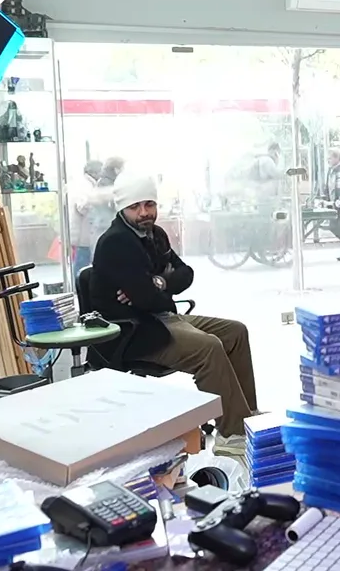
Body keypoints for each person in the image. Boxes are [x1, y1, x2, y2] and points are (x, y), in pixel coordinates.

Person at [88, 173, 258, 456]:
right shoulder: (115, 242)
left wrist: (157, 282)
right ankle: (232, 435)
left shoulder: (155, 235)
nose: (144, 212)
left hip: (161, 317)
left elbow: (185, 274)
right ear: (122, 208)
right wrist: (154, 287)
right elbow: (146, 300)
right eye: (135, 206)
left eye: (149, 204)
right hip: (134, 332)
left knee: (235, 332)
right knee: (208, 347)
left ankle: (248, 417)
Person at [67, 160, 105, 270]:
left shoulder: (84, 184)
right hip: (83, 234)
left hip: (82, 232)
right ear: (94, 172)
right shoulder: (85, 186)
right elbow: (82, 207)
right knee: (82, 265)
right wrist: (96, 200)